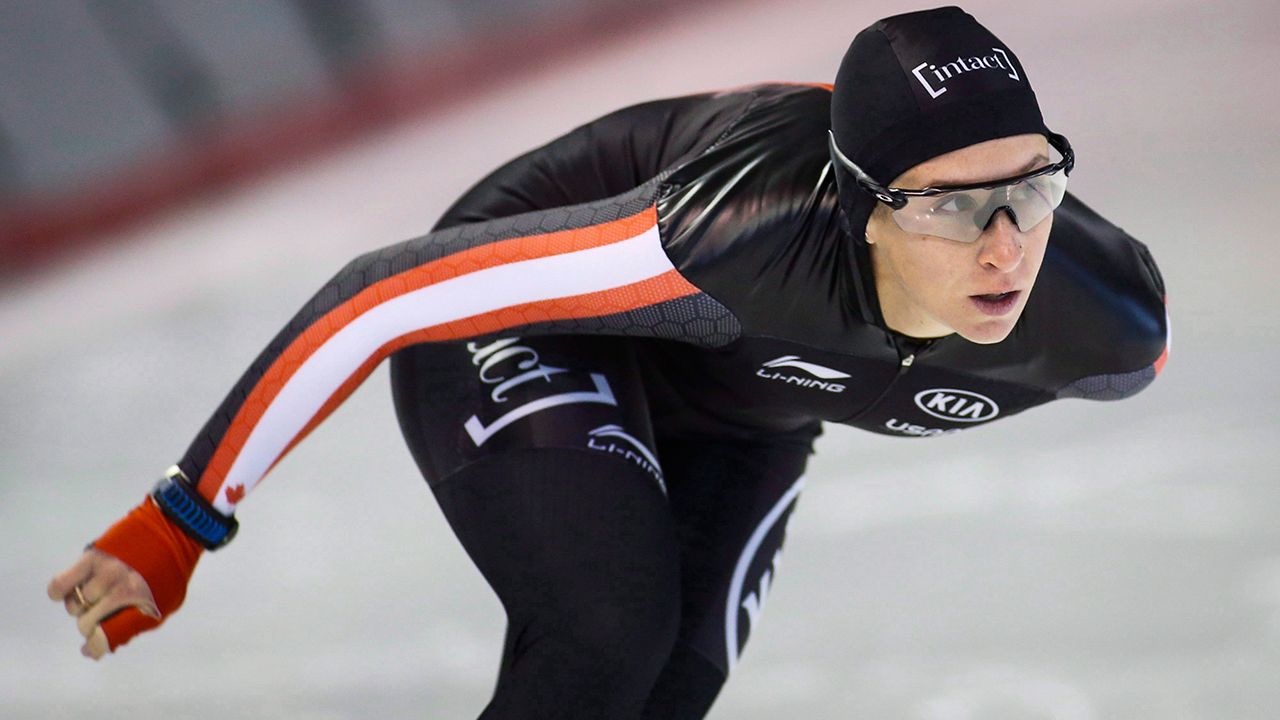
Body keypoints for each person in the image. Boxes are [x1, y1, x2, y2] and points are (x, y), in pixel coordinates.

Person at [49, 6, 1168, 719]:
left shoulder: (1105, 324)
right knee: (604, 636)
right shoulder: (731, 236)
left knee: (667, 689)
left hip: (739, 402)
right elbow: (379, 294)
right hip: (555, 318)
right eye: (953, 205)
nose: (1006, 248)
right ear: (858, 206)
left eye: (1032, 187)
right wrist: (183, 519)